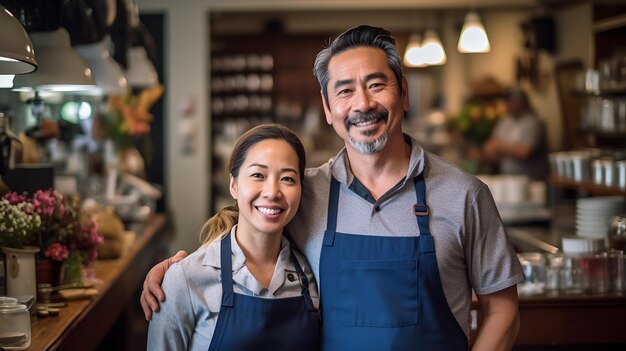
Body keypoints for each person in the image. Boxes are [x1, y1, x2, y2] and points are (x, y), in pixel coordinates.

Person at [142, 25, 525, 350]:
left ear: (403, 93)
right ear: (328, 109)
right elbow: (251, 229)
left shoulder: (464, 195)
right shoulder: (304, 193)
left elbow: (502, 310)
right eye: (344, 91)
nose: (362, 103)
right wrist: (178, 273)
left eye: (377, 84)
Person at [146, 123, 320, 350]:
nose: (272, 192)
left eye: (287, 179)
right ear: (234, 185)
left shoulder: (311, 276)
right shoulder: (186, 279)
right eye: (258, 175)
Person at [482, 87, 549, 180]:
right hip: (507, 177)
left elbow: (524, 152)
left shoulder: (532, 122)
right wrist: (511, 149)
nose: (506, 104)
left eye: (510, 100)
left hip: (531, 179)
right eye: (505, 100)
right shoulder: (504, 122)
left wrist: (500, 147)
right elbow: (489, 149)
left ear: (521, 101)